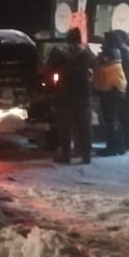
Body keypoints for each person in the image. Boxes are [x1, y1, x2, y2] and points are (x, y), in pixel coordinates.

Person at [46, 27, 97, 164]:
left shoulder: (58, 52)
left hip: (65, 93)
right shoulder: (86, 53)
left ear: (67, 38)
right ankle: (86, 156)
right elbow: (96, 66)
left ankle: (66, 155)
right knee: (84, 126)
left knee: (65, 127)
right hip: (84, 94)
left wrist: (52, 89)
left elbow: (49, 72)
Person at [93, 37, 128, 156]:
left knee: (111, 120)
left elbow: (101, 66)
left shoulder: (110, 52)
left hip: (110, 90)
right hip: (114, 89)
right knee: (114, 120)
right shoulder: (115, 51)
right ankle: (120, 147)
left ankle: (112, 148)